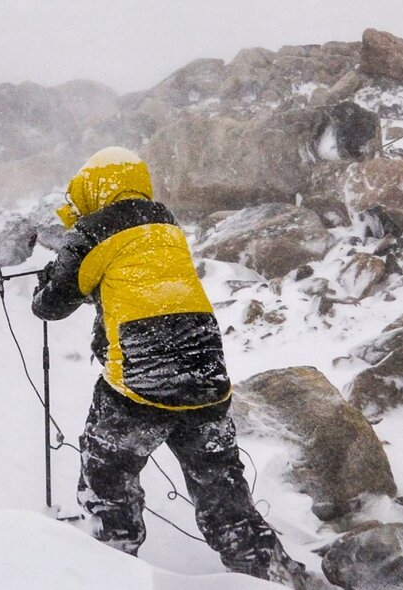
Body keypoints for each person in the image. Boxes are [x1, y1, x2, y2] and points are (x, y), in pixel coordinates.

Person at [32, 147, 307, 586]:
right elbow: (134, 278)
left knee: (109, 477)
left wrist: (52, 276)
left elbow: (50, 305)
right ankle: (272, 574)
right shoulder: (165, 224)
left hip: (142, 379)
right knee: (221, 489)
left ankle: (112, 568)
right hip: (206, 374)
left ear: (92, 189)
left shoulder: (93, 229)